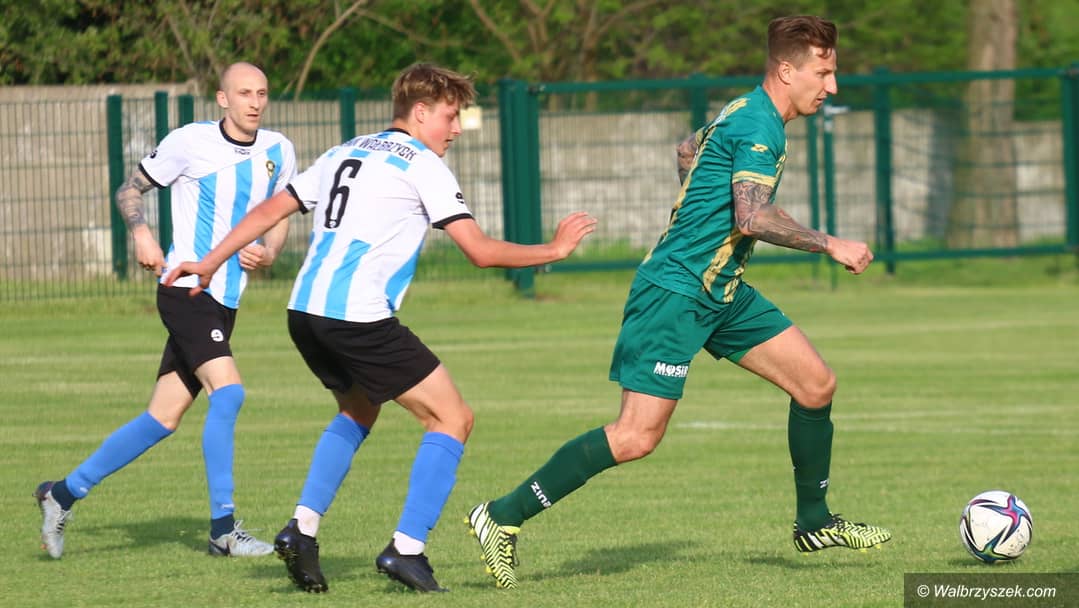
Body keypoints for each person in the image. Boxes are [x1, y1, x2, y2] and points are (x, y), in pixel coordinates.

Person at [464, 15, 891, 589]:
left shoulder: (743, 108)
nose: (832, 86)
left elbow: (688, 149)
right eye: (824, 73)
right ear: (787, 71)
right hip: (675, 292)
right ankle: (501, 515)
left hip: (722, 290)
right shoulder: (759, 125)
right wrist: (830, 243)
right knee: (636, 437)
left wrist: (698, 208)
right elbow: (751, 217)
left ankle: (814, 522)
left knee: (816, 385)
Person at [164, 62, 596, 593]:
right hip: (357, 316)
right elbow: (480, 252)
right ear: (421, 112)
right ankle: (406, 549)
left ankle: (302, 530)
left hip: (304, 312)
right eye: (450, 116)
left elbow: (269, 211)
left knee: (358, 409)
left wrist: (209, 261)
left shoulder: (345, 150)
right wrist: (553, 250)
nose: (456, 129)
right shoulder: (423, 164)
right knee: (452, 418)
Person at [34, 62, 297, 559]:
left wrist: (271, 251)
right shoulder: (190, 141)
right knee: (229, 393)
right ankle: (223, 531)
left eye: (262, 93)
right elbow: (129, 189)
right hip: (186, 289)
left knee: (162, 417)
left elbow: (283, 208)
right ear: (222, 98)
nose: (255, 102)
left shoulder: (279, 149)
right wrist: (141, 233)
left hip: (226, 299)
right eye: (244, 93)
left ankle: (61, 494)